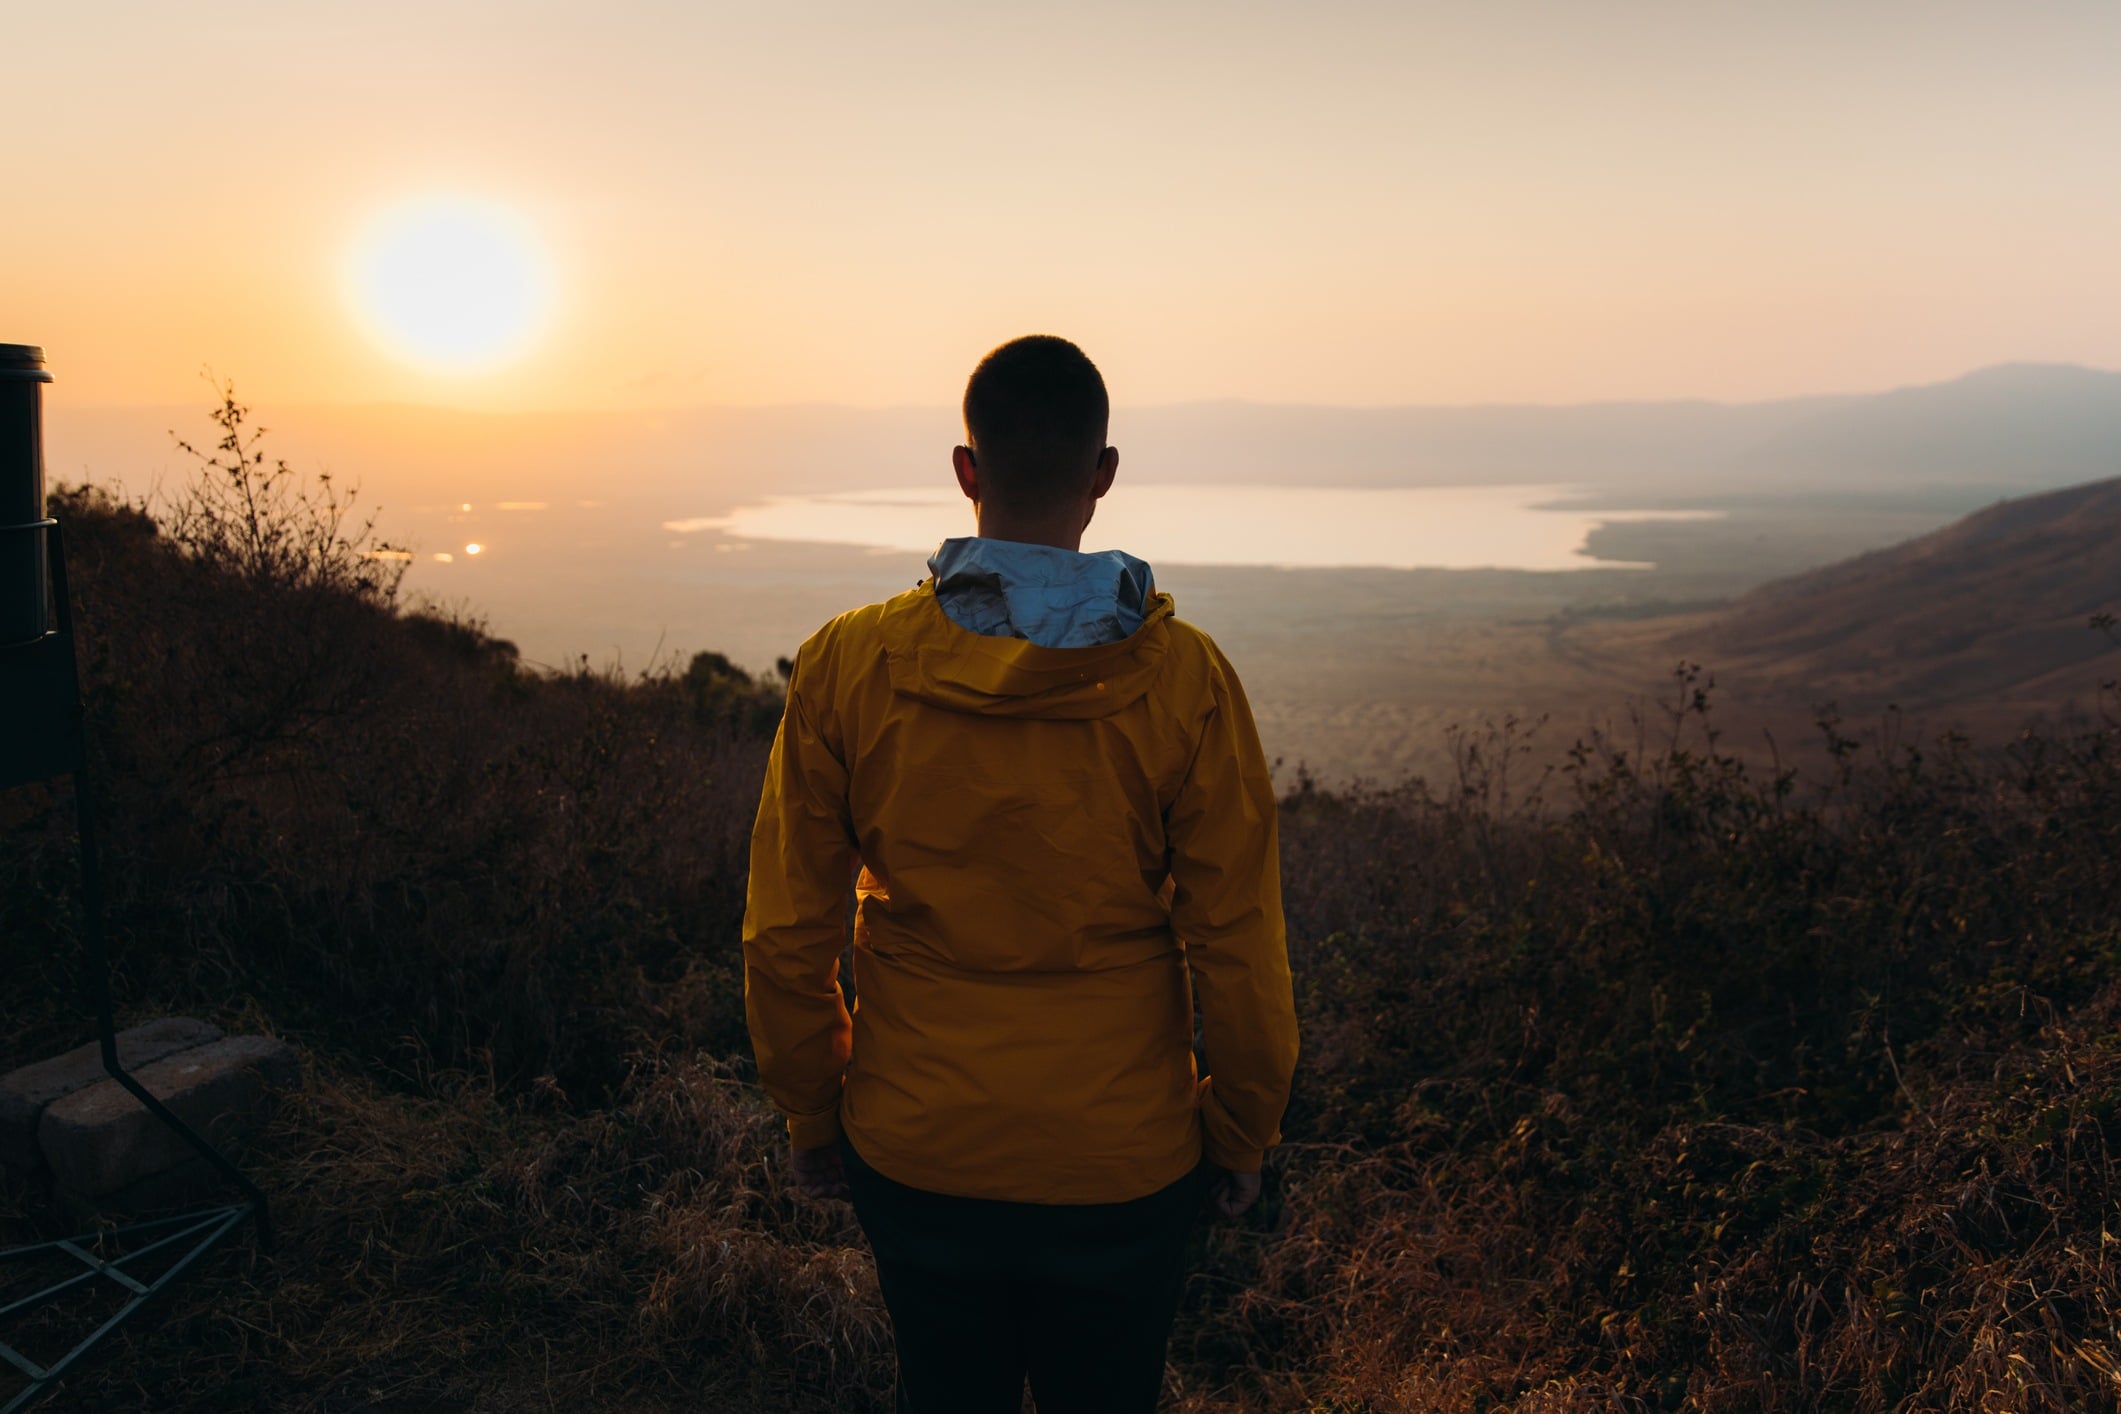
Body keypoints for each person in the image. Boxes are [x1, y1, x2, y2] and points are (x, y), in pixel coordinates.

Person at [742, 334, 1298, 1413]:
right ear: (1104, 474)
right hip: (1121, 1162)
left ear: (966, 469)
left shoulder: (849, 666)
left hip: (917, 1147)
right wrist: (1241, 1131)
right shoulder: (1186, 682)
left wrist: (813, 1113)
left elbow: (787, 933)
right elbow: (1237, 941)